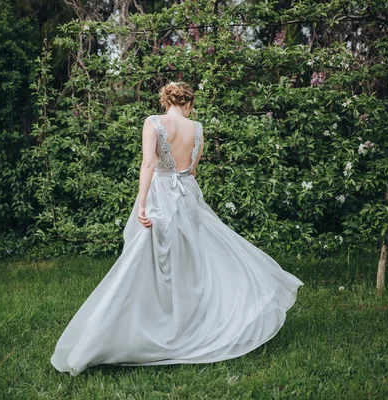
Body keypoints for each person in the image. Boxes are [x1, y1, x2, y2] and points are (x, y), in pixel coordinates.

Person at [50, 81, 304, 376]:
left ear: (164, 100)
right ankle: (190, 318)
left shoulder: (153, 122)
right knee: (191, 259)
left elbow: (148, 165)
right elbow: (192, 170)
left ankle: (146, 325)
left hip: (161, 194)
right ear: (188, 103)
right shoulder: (197, 128)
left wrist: (142, 204)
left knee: (148, 262)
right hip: (187, 194)